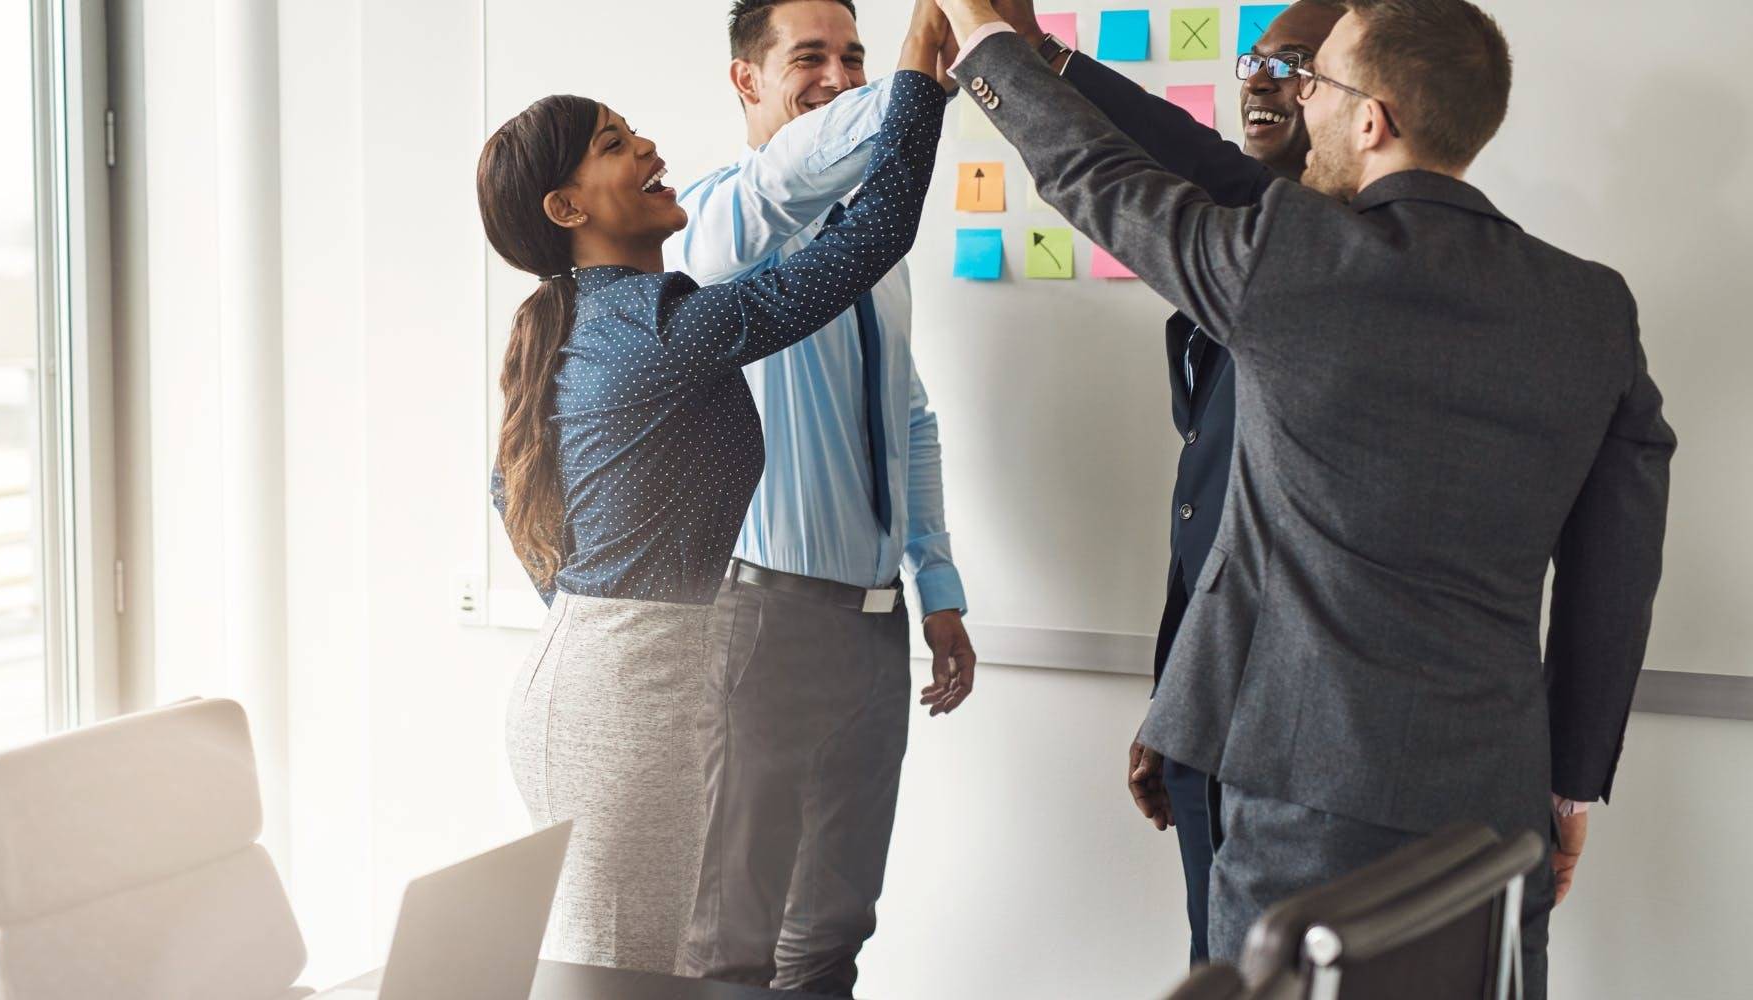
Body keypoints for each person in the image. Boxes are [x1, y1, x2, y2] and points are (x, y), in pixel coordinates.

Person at [936, 0, 1676, 993]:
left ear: (1372, 119)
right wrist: (1569, 776)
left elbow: (1095, 178)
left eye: (1314, 83)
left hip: (1304, 798)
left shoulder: (1296, 259)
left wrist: (981, 38)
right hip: (1495, 803)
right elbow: (1617, 556)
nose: (1296, 102)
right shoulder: (1591, 308)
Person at [477, 0, 953, 973]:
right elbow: (870, 236)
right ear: (567, 209)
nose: (646, 142)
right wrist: (919, 68)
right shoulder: (661, 319)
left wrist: (589, 608)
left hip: (618, 674)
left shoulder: (601, 319)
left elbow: (505, 487)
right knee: (641, 967)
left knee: (661, 964)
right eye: (614, 142)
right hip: (631, 697)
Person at [977, 0, 1345, 964]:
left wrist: (997, 51)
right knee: (1212, 966)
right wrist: (1176, 702)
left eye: (1295, 63)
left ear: (1363, 102)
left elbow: (1133, 164)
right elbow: (1217, 521)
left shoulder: (1341, 264)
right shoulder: (1251, 244)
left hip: (1300, 755)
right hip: (1206, 716)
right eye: (1256, 56)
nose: (1262, 78)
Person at [661, 2, 974, 993]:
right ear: (745, 80)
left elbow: (910, 415)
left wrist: (939, 583)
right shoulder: (718, 228)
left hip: (875, 633)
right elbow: (789, 172)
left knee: (834, 930)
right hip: (758, 626)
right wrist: (918, 77)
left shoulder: (875, 253)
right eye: (809, 58)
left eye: (855, 56)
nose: (837, 76)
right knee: (733, 940)